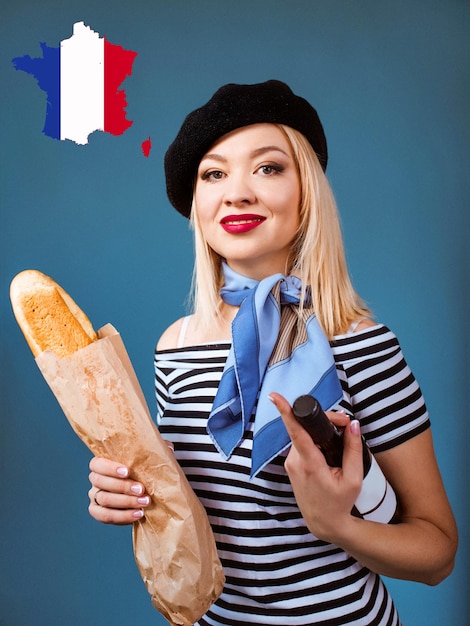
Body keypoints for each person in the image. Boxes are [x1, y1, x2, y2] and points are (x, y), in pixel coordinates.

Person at [88, 80, 458, 625]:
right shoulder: (175, 347)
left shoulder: (359, 342)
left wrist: (339, 526)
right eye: (214, 173)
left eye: (267, 167)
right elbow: (192, 509)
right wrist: (128, 496)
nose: (236, 193)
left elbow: (438, 553)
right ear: (198, 204)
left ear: (306, 189)